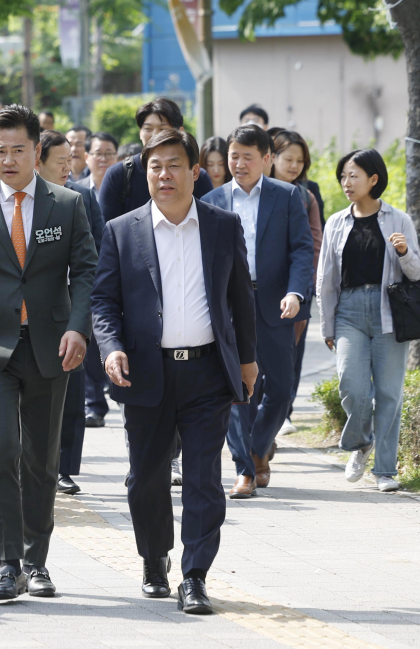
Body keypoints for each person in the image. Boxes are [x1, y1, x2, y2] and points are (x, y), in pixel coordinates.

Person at [92, 128, 258, 614]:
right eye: (155, 166)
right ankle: (153, 557)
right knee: (145, 478)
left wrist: (247, 360)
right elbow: (103, 300)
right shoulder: (123, 230)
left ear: (194, 171)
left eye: (174, 165)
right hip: (146, 373)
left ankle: (194, 575)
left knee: (204, 477)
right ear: (146, 173)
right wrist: (111, 347)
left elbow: (240, 300)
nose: (164, 175)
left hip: (207, 372)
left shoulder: (222, 226)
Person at [0, 105, 97, 601]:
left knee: (40, 459)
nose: (7, 159)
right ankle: (8, 563)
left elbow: (87, 272)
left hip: (51, 348)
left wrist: (79, 328)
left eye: (17, 150)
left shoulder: (67, 204)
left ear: (37, 150)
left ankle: (38, 558)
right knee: (0, 447)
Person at [202, 124, 313, 497]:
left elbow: (301, 249)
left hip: (275, 304)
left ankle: (258, 445)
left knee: (281, 389)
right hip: (230, 304)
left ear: (266, 159)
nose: (238, 163)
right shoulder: (213, 199)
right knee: (237, 389)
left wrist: (296, 292)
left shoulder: (287, 196)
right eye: (234, 156)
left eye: (248, 157)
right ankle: (244, 470)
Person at [317, 148, 420, 493]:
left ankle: (385, 470)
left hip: (389, 312)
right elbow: (326, 279)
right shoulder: (335, 222)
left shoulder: (399, 219)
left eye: (354, 176)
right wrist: (327, 324)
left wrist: (405, 252)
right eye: (343, 176)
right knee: (352, 387)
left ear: (373, 179)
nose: (347, 183)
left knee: (390, 393)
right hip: (348, 311)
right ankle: (361, 443)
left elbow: (418, 272)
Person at [37, 130, 105, 495]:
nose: (68, 168)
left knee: (71, 389)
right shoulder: (21, 200)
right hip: (29, 309)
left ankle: (64, 467)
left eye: (70, 161)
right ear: (38, 161)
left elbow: (96, 253)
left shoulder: (82, 197)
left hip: (70, 307)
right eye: (59, 162)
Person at [269, 130, 323, 435]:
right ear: (271, 157)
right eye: (288, 158)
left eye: (300, 160)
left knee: (291, 353)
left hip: (297, 289)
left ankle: (283, 411)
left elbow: (314, 243)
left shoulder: (306, 194)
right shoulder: (251, 193)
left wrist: (306, 285)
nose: (294, 166)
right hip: (258, 289)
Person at [99, 98, 213, 221]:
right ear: (140, 133)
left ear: (180, 132)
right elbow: (108, 230)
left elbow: (209, 221)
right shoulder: (117, 175)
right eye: (148, 129)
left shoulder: (197, 176)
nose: (155, 135)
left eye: (162, 129)